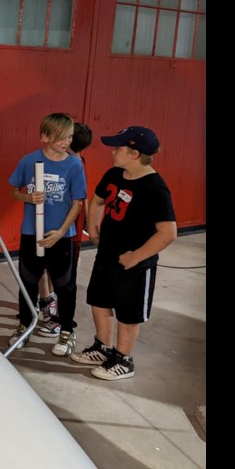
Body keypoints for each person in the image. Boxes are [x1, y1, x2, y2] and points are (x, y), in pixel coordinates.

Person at [70, 126, 176, 380]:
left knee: (128, 314)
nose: (113, 152)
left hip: (135, 265)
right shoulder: (115, 174)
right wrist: (93, 231)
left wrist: (135, 256)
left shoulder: (155, 188)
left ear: (135, 154)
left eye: (118, 148)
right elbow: (96, 200)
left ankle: (123, 359)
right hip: (106, 255)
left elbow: (168, 232)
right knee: (99, 302)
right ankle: (102, 347)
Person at [7, 113, 87, 354]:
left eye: (70, 137)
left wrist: (62, 231)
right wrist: (27, 197)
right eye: (61, 137)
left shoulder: (74, 164)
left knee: (64, 285)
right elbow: (13, 191)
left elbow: (78, 202)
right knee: (28, 281)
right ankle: (25, 325)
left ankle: (66, 332)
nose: (66, 142)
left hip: (60, 236)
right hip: (31, 233)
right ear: (45, 137)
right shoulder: (29, 161)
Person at [37, 122, 93, 354]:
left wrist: (88, 223)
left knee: (62, 276)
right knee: (46, 267)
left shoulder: (74, 164)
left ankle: (58, 321)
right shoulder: (70, 161)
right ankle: (49, 308)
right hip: (54, 227)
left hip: (68, 231)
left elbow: (81, 198)